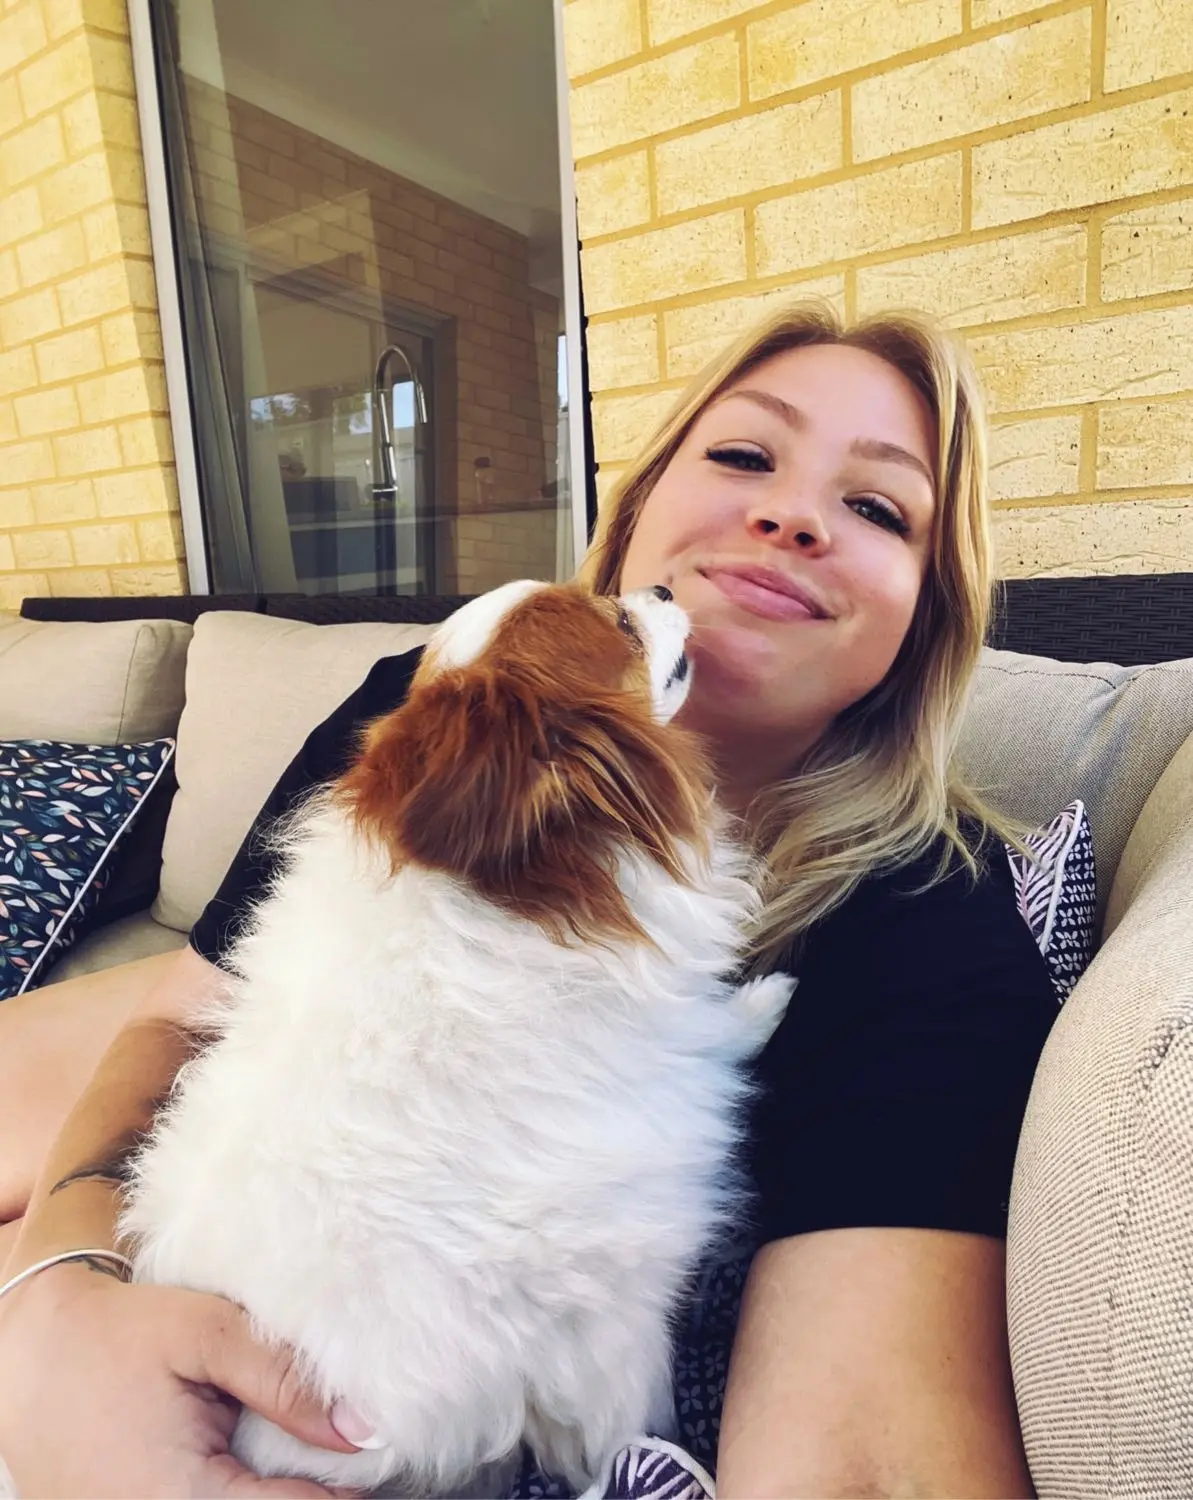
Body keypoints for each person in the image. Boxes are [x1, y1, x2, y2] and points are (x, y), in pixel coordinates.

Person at [0, 301, 1056, 1498]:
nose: (792, 516)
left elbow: (868, 1456)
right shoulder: (431, 705)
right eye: (742, 454)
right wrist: (53, 1299)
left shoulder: (928, 917)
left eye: (875, 508)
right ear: (638, 508)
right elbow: (186, 1018)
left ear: (924, 618)